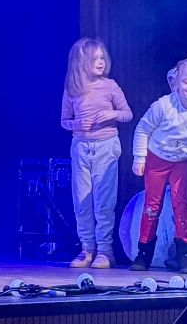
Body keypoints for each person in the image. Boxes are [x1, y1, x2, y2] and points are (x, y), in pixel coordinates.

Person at [131, 58, 187, 273]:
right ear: (176, 83)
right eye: (186, 81)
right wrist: (139, 158)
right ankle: (143, 253)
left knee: (182, 204)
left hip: (182, 162)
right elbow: (142, 129)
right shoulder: (163, 105)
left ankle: (185, 253)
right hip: (156, 159)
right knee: (152, 206)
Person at [61, 38, 133, 268]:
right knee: (82, 200)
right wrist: (76, 124)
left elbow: (127, 114)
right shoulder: (72, 89)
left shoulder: (110, 86)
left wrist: (112, 114)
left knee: (104, 201)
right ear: (81, 62)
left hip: (106, 146)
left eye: (102, 57)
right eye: (95, 59)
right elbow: (64, 120)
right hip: (81, 147)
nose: (100, 62)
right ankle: (86, 248)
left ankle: (105, 250)